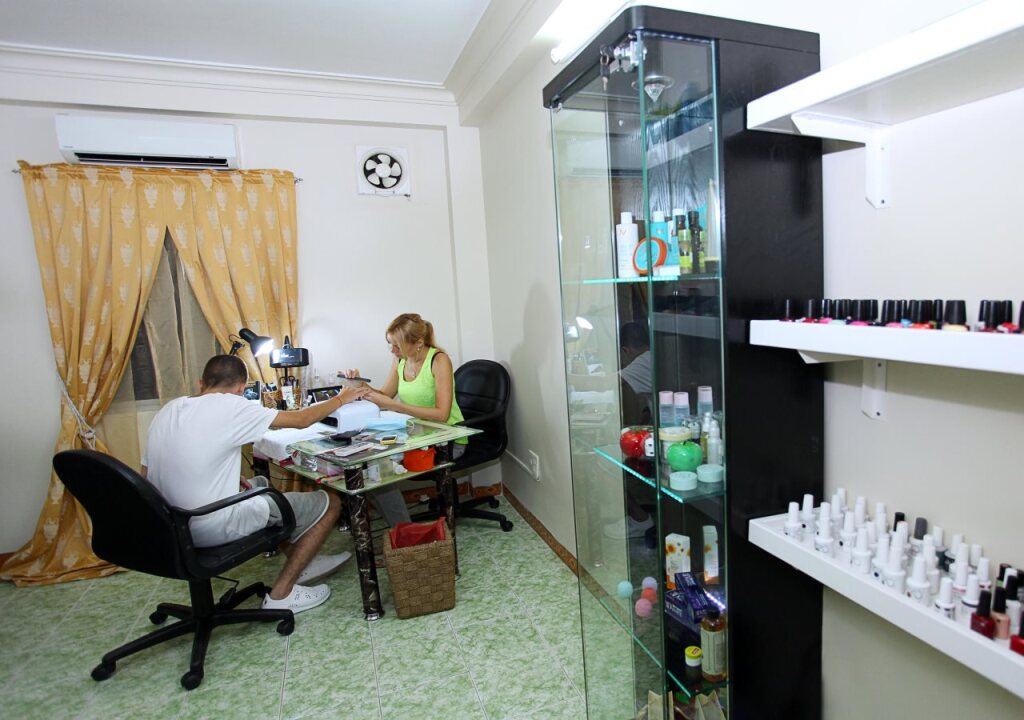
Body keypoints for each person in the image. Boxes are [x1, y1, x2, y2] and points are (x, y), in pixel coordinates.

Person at [143, 354, 369, 614]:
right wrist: (342, 398)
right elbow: (301, 420)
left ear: (201, 383)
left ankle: (300, 559)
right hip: (208, 525)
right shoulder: (232, 406)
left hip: (168, 525)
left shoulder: (168, 410)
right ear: (242, 388)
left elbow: (146, 476)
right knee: (331, 503)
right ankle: (282, 594)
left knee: (260, 483)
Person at [346, 313, 467, 524]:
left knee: (377, 470)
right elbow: (385, 395)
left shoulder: (439, 361)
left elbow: (442, 414)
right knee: (370, 466)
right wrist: (360, 385)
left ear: (418, 343)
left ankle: (405, 531)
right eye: (390, 344)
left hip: (448, 440)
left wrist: (396, 406)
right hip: (418, 435)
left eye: (397, 345)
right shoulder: (400, 360)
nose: (393, 351)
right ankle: (404, 529)